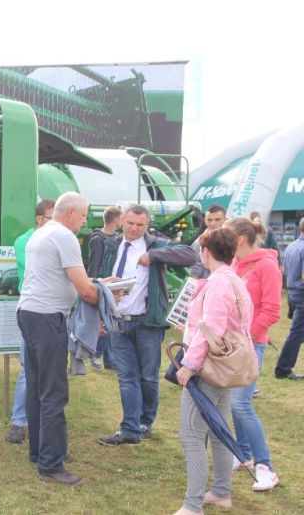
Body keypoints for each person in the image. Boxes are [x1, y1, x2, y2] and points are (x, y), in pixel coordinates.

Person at [16, 192, 99, 486]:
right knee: (54, 392)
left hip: (29, 313)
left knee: (37, 386)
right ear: (71, 213)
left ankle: (40, 452)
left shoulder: (42, 233)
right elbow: (84, 288)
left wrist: (97, 285)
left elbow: (71, 279)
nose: (86, 221)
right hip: (47, 317)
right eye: (84, 215)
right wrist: (104, 295)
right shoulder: (64, 236)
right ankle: (51, 465)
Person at [97, 205, 196, 446]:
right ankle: (129, 429)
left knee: (148, 377)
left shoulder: (155, 245)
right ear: (122, 221)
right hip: (119, 321)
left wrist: (154, 257)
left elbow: (189, 255)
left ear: (146, 225)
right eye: (130, 223)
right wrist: (101, 315)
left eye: (140, 225)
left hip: (147, 322)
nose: (134, 228)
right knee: (126, 377)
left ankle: (145, 422)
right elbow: (99, 278)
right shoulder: (112, 245)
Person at [173, 228, 254, 515]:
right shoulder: (234, 280)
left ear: (206, 252)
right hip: (224, 368)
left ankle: (192, 505)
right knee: (219, 432)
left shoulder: (219, 283)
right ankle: (221, 492)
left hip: (209, 369)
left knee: (192, 435)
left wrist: (188, 366)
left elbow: (213, 331)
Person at [224, 217, 281, 492]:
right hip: (235, 344)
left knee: (241, 403)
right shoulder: (234, 264)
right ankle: (243, 454)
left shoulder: (267, 267)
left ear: (240, 239)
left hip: (251, 344)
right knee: (236, 401)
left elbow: (272, 310)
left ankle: (265, 466)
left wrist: (248, 339)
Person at [7, 198, 55, 444]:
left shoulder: (57, 239)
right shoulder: (25, 242)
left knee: (49, 372)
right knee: (28, 368)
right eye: (51, 218)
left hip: (53, 313)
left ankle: (43, 422)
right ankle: (19, 422)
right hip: (34, 312)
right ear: (39, 219)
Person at [87, 205, 122, 370]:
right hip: (103, 284)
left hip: (116, 284)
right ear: (116, 219)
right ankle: (96, 353)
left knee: (113, 321)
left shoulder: (117, 238)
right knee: (107, 322)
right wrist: (95, 284)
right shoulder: (97, 239)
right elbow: (94, 264)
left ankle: (110, 360)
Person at [275, 216, 304, 380]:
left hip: (293, 294)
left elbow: (285, 270)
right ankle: (283, 368)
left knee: (297, 333)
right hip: (302, 294)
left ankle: (283, 367)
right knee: (296, 334)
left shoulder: (292, 246)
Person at [190, 204, 227, 279]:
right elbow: (195, 269)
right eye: (209, 220)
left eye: (217, 219)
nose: (213, 223)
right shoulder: (199, 242)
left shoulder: (231, 240)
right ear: (205, 221)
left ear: (225, 220)